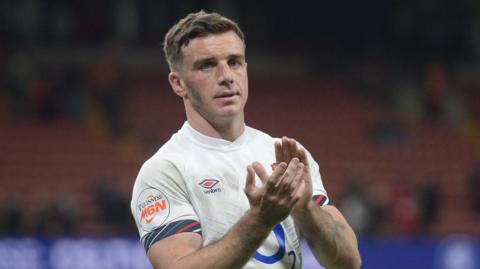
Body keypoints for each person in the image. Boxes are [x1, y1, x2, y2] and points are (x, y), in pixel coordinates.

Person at [130, 11, 361, 269]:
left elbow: (349, 262)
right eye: (207, 65)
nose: (226, 76)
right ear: (178, 83)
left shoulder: (284, 155)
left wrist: (306, 208)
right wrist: (261, 219)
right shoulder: (165, 170)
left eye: (235, 62)